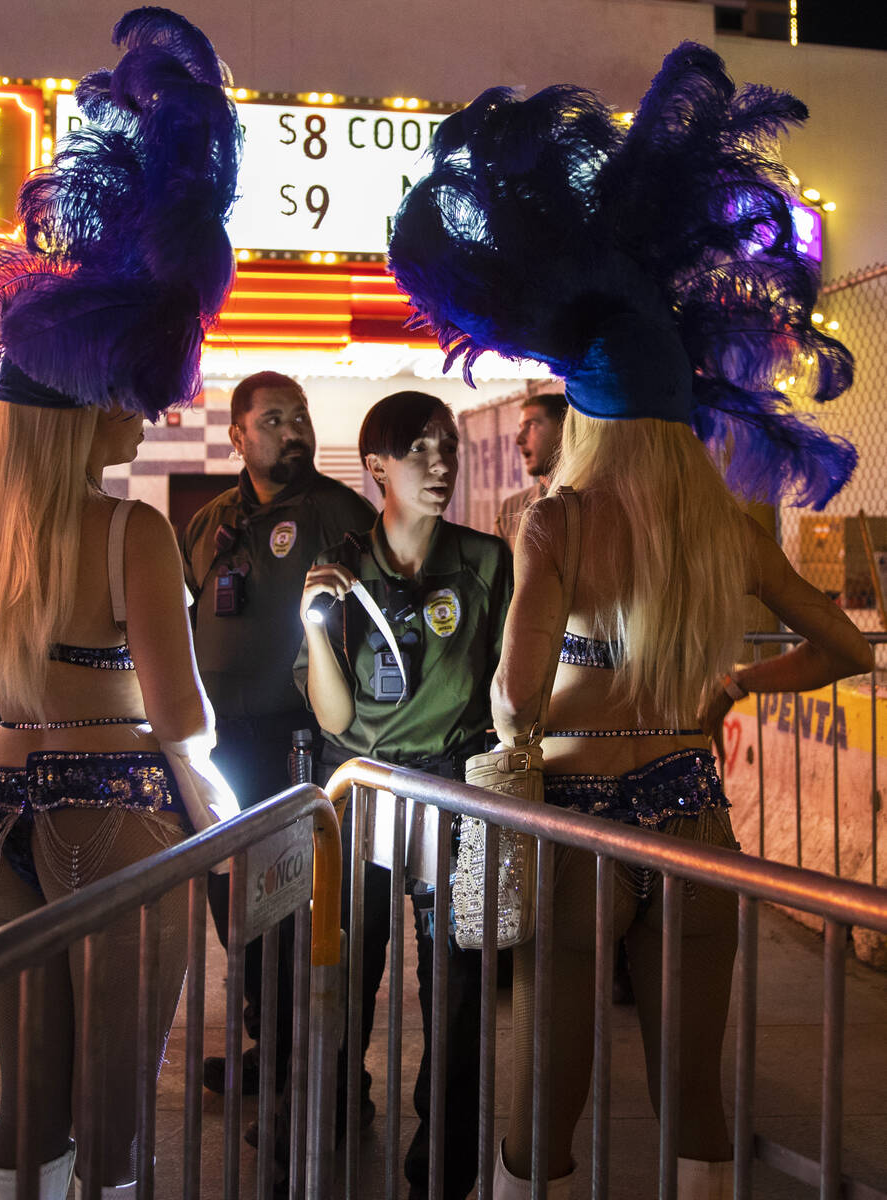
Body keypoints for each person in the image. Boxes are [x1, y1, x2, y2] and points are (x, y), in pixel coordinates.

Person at [388, 42, 870, 1200]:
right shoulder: (725, 531)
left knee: (544, 1090)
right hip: (695, 818)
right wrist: (737, 687)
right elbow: (848, 648)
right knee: (693, 1088)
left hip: (575, 826)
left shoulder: (553, 526)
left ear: (590, 419)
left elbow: (514, 698)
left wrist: (544, 690)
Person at [0, 10, 241, 1198]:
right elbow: (181, 713)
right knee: (117, 1101)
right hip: (120, 812)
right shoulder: (131, 530)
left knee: (31, 1095)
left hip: (5, 808)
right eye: (126, 393)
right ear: (83, 412)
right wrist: (214, 794)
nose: (145, 411)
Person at [296, 390, 513, 1200]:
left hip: (456, 795)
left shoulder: (488, 562)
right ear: (376, 467)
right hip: (359, 796)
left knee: (455, 987)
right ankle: (323, 1123)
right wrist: (317, 628)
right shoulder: (340, 568)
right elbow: (335, 715)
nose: (439, 463)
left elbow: (511, 684)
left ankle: (445, 1160)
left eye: (446, 446)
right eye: (418, 449)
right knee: (345, 969)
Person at [179, 370, 374, 1105]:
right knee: (237, 911)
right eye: (274, 420)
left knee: (298, 910)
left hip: (301, 745)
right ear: (237, 436)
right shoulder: (210, 522)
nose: (293, 431)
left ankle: (326, 1076)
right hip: (220, 748)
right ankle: (271, 1050)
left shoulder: (339, 514)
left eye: (300, 417)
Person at [493, 387, 567, 552]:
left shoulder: (597, 501)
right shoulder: (510, 510)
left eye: (531, 425)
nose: (519, 439)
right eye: (521, 427)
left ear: (565, 428)